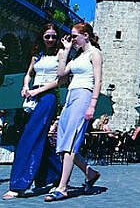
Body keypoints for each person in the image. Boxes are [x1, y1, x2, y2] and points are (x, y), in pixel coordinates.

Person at [2, 24, 63, 200]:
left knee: (29, 136)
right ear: (42, 37)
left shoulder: (60, 54)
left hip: (48, 97)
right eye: (47, 36)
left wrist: (38, 91)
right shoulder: (37, 55)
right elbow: (29, 74)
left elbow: (61, 79)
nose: (50, 40)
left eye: (53, 36)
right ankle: (55, 175)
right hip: (33, 96)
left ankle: (18, 184)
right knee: (40, 138)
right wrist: (25, 86)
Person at [44, 23, 102, 202]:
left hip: (84, 95)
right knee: (62, 142)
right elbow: (61, 74)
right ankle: (90, 173)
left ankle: (62, 187)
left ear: (86, 35)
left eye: (75, 36)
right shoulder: (78, 56)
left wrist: (92, 105)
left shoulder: (94, 53)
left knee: (70, 140)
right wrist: (67, 51)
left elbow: (98, 80)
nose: (72, 39)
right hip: (70, 96)